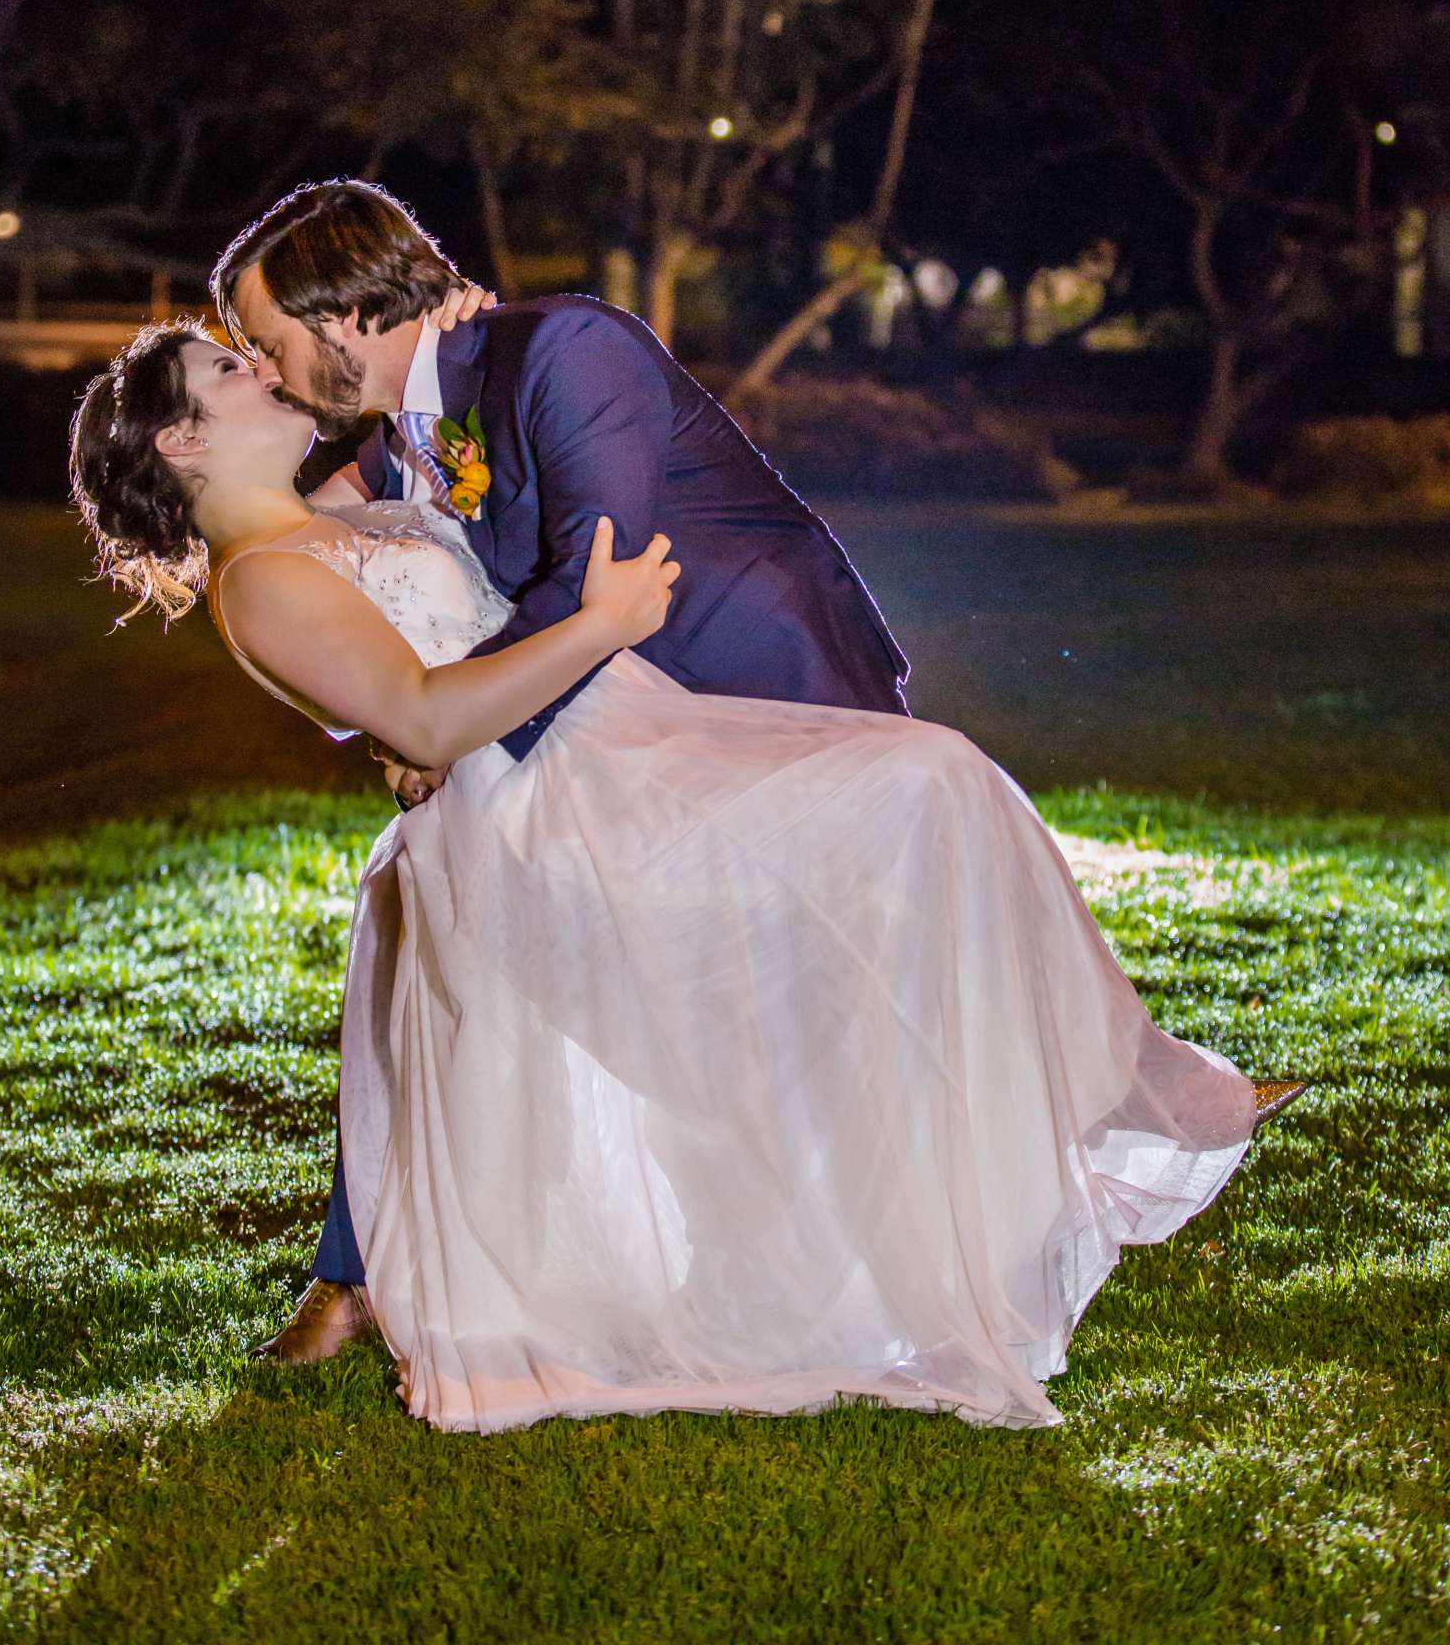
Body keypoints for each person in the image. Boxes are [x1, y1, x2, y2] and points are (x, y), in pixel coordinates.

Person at [71, 316, 1304, 1436]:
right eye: (231, 370)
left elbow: (426, 468)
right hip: (554, 813)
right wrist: (599, 625)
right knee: (926, 789)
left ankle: (1065, 1128)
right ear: (183, 439)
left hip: (624, 744)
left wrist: (444, 365)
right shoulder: (263, 582)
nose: (264, 367)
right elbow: (428, 718)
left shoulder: (326, 518)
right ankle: (1118, 1111)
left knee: (926, 811)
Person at [209, 180, 913, 1360]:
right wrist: (399, 711)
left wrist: (445, 731)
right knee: (426, 920)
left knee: (836, 998)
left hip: (754, 694)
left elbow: (598, 578)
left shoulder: (566, 347)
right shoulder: (413, 425)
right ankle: (369, 1265)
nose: (269, 372)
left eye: (267, 342)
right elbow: (291, 535)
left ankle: (1032, 1154)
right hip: (592, 725)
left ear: (342, 317)